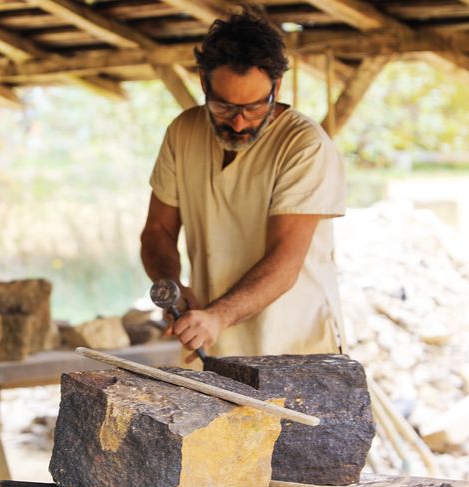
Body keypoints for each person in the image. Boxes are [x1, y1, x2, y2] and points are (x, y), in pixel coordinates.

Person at [140, 7, 346, 362]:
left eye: (253, 108)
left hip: (294, 350)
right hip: (212, 346)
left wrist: (218, 316)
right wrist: (170, 286)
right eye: (223, 107)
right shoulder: (183, 132)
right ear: (204, 83)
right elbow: (157, 230)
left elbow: (285, 261)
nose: (238, 123)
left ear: (276, 88)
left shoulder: (305, 145)